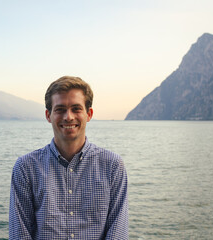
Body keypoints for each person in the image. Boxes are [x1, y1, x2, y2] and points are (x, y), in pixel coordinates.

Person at [9, 76, 129, 239]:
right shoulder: (26, 167)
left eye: (76, 108)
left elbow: (118, 232)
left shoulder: (112, 166)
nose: (68, 117)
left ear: (89, 114)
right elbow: (20, 234)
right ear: (48, 115)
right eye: (60, 109)